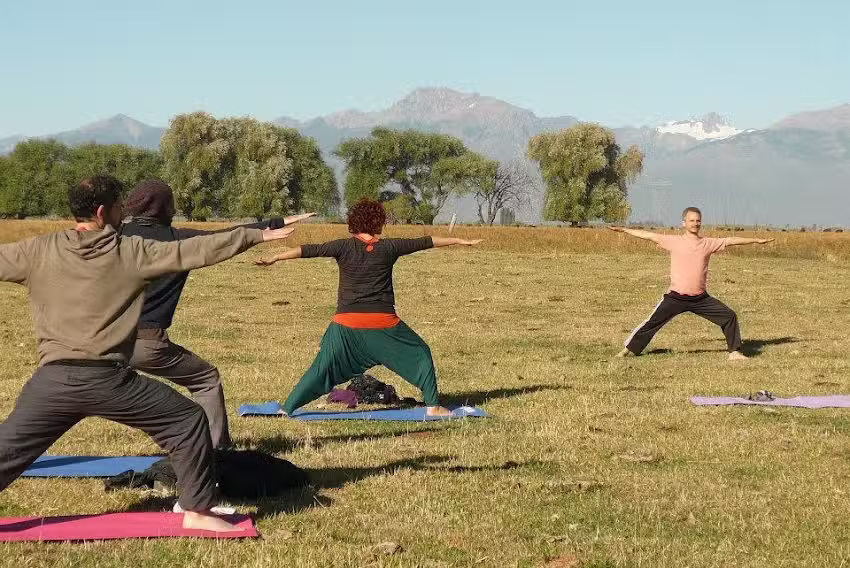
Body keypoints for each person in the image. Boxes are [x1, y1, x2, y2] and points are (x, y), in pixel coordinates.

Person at [0, 175, 293, 532]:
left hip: (51, 383)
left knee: (7, 453)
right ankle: (197, 510)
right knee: (187, 422)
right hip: (109, 382)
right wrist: (255, 234)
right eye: (120, 206)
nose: (124, 212)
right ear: (102, 211)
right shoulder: (131, 251)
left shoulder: (36, 250)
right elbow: (196, 251)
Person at [119, 179, 314, 449]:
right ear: (165, 207)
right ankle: (219, 449)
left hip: (95, 342)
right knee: (206, 378)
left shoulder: (111, 236)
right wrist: (276, 222)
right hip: (145, 344)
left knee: (69, 393)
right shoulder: (178, 240)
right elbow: (227, 236)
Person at [256, 199, 481, 417]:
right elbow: (428, 241)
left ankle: (288, 407)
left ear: (354, 222)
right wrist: (460, 241)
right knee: (421, 354)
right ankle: (433, 407)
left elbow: (308, 250)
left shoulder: (343, 246)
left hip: (346, 324)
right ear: (378, 222)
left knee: (320, 369)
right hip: (383, 323)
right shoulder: (390, 247)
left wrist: (276, 257)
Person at [610, 207, 773, 361]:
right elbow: (648, 235)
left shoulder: (707, 243)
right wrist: (625, 230)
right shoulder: (673, 241)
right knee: (651, 323)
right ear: (684, 223)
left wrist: (756, 240)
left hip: (700, 299)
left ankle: (734, 352)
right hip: (675, 297)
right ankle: (629, 349)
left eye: (698, 220)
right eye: (692, 220)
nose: (695, 223)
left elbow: (730, 240)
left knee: (729, 316)